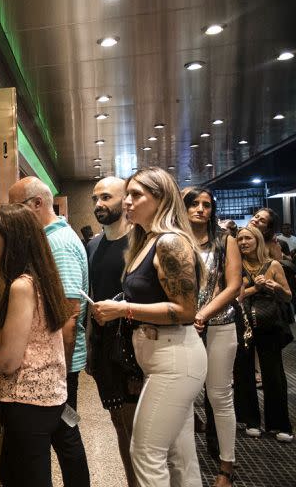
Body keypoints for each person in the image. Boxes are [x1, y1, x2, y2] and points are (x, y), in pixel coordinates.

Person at [92, 167, 207, 487]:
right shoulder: (146, 242)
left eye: (136, 195)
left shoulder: (170, 242)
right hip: (158, 356)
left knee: (145, 452)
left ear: (161, 199)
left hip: (173, 357)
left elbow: (185, 310)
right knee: (180, 457)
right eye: (126, 194)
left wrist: (123, 309)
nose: (127, 201)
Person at [0, 204, 70, 487]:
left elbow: (7, 362)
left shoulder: (21, 286)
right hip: (46, 397)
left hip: (26, 403)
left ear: (11, 239)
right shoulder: (42, 277)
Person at [8, 176, 90, 487]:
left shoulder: (57, 243)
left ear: (38, 204)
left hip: (58, 364)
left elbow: (69, 314)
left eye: (17, 207)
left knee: (65, 438)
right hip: (56, 363)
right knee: (64, 434)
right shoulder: (52, 239)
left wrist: (61, 369)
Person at [183, 187, 242, 486]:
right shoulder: (176, 240)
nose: (201, 209)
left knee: (220, 397)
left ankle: (226, 468)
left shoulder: (225, 240)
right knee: (181, 397)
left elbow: (233, 286)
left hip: (220, 324)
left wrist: (203, 313)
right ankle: (183, 464)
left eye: (206, 204)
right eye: (194, 203)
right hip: (183, 327)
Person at [86, 176, 141, 487]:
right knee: (118, 423)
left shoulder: (141, 243)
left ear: (125, 201)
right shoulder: (93, 245)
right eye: (95, 198)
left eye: (106, 197)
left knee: (137, 428)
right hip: (105, 345)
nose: (98, 204)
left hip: (135, 347)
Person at [236, 225, 293, 442]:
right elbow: (236, 294)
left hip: (269, 324)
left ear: (257, 240)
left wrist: (274, 287)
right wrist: (257, 288)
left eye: (247, 238)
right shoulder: (236, 265)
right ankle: (251, 420)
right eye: (240, 239)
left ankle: (280, 424)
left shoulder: (274, 265)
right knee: (245, 372)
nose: (243, 242)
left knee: (274, 375)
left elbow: (287, 296)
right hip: (243, 323)